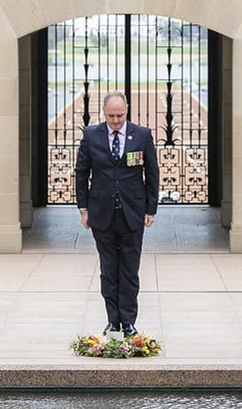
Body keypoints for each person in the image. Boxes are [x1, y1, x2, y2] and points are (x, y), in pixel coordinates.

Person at [75, 91, 158, 338]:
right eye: (111, 116)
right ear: (104, 112)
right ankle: (113, 321)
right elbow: (82, 173)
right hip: (102, 214)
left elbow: (152, 173)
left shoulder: (142, 135)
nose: (116, 120)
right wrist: (83, 208)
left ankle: (129, 321)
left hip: (132, 213)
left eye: (120, 115)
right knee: (109, 269)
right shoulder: (91, 136)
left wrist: (150, 208)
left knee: (130, 270)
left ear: (127, 110)